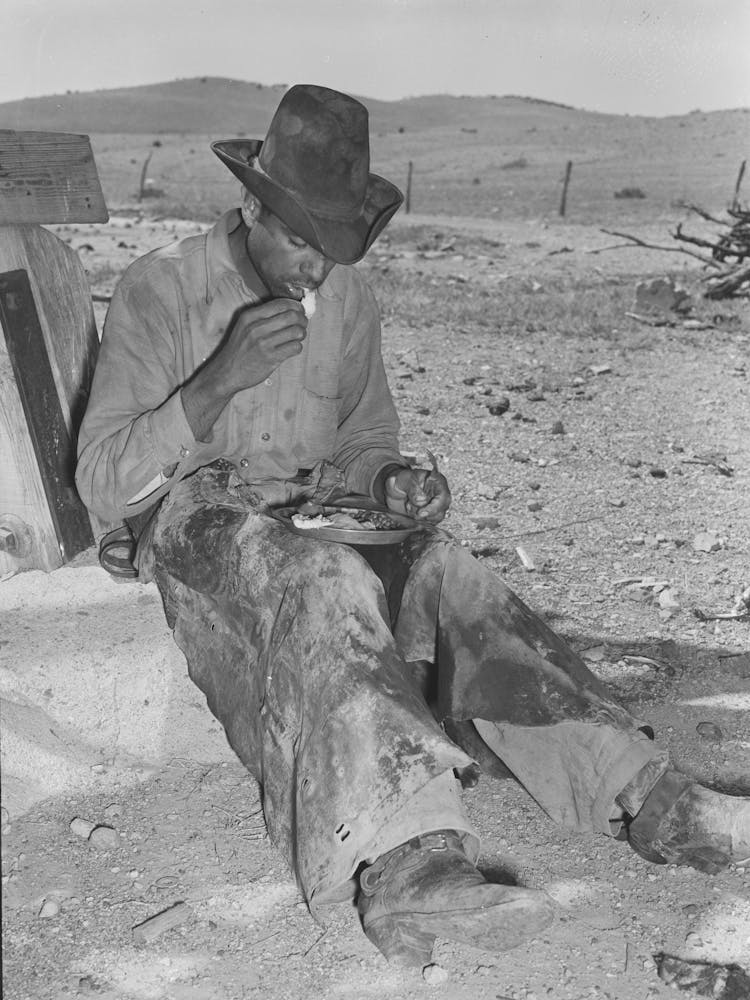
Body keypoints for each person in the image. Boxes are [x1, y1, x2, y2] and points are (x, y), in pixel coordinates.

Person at [76, 84, 750, 969]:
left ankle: (646, 795)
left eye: (336, 247)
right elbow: (103, 482)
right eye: (297, 239)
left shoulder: (347, 302)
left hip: (308, 517)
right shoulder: (160, 287)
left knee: (447, 567)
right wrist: (216, 383)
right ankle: (407, 865)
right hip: (198, 523)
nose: (316, 269)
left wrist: (391, 482)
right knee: (325, 580)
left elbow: (362, 439)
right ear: (249, 203)